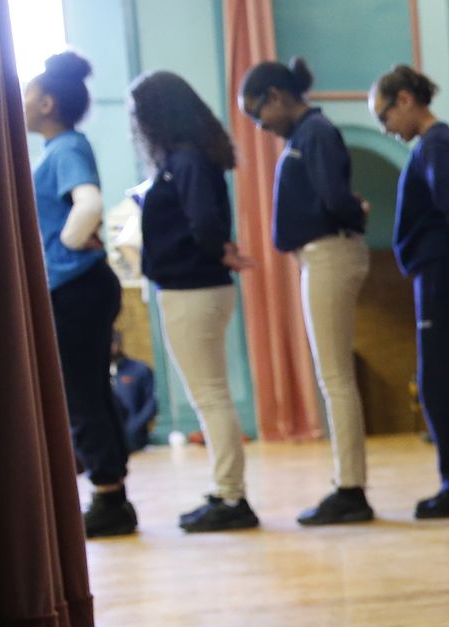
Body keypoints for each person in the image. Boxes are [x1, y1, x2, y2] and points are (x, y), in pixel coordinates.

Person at [240, 57, 374, 526]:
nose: (260, 126)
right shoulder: (304, 136)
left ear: (276, 95)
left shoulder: (315, 133)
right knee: (332, 374)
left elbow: (335, 198)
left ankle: (351, 488)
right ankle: (348, 483)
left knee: (335, 376)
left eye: (259, 114)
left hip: (329, 254)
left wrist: (355, 213)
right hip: (320, 255)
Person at [129, 70, 260, 532]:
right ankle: (226, 491)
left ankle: (231, 496)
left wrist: (216, 247)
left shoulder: (184, 160)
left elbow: (203, 222)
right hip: (197, 286)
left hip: (192, 287)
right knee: (211, 394)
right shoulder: (190, 158)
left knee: (210, 396)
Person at [371, 65, 449, 518]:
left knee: (442, 381)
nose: (385, 128)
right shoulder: (433, 146)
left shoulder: (437, 145)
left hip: (447, 272)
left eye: (384, 116)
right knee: (446, 378)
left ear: (405, 99)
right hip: (444, 270)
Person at [26, 51, 135, 537]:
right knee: (91, 389)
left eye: (26, 95)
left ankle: (109, 499)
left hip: (75, 286)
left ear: (47, 102)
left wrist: (69, 244)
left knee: (83, 393)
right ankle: (112, 493)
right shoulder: (61, 148)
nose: (19, 103)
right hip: (82, 286)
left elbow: (88, 201)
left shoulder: (65, 148)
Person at [111, 332, 156, 452]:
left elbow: (152, 402)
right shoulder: (96, 374)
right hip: (107, 440)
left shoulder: (139, 369)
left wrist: (134, 426)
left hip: (134, 439)